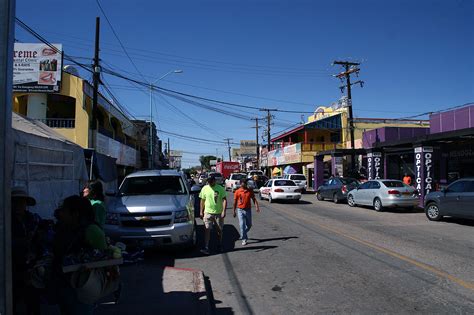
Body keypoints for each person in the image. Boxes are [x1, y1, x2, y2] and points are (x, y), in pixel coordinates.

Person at [52, 195, 107, 315]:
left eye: (64, 210)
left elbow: (104, 257)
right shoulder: (64, 228)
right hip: (64, 286)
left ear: (75, 214)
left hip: (82, 287)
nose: (61, 213)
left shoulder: (91, 230)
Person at [11, 187, 42, 315]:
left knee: (33, 299)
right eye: (16, 201)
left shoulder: (32, 219)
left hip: (31, 265)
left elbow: (39, 241)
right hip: (13, 265)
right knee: (13, 298)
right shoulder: (6, 220)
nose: (19, 205)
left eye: (22, 202)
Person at [199, 174, 227, 255]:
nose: (210, 183)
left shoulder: (220, 188)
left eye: (211, 181)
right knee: (207, 229)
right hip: (208, 212)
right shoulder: (205, 188)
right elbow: (202, 200)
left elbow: (224, 200)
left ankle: (219, 245)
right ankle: (206, 247)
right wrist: (201, 211)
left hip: (218, 213)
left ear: (215, 181)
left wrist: (223, 211)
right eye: (209, 182)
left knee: (219, 230)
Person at [233, 179, 261, 246]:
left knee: (249, 225)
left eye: (244, 183)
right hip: (240, 210)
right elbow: (235, 202)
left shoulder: (249, 191)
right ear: (240, 184)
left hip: (248, 210)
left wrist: (257, 206)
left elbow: (254, 199)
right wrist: (234, 211)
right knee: (242, 225)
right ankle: (244, 239)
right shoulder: (237, 191)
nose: (243, 185)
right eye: (242, 184)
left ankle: (243, 233)